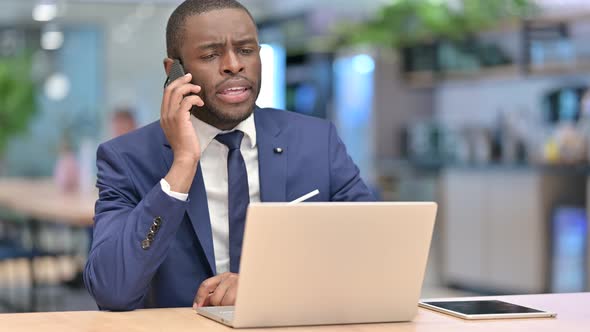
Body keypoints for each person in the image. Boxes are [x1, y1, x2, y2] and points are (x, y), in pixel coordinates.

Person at [83, 0, 374, 311]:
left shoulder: (316, 141)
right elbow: (112, 289)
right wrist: (182, 166)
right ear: (175, 71)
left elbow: (373, 253)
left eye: (247, 50)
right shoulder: (126, 158)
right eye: (210, 55)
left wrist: (263, 283)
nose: (234, 65)